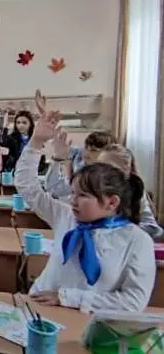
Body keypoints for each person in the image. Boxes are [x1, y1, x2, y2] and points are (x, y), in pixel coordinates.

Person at [15, 110, 154, 313]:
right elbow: (28, 187)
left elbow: (133, 301)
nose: (73, 201)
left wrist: (68, 297)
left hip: (88, 321)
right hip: (40, 311)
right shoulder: (67, 216)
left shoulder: (137, 240)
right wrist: (36, 142)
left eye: (83, 196)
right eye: (73, 193)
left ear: (112, 202)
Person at [97, 144, 163, 239]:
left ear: (127, 170)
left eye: (108, 167)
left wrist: (120, 231)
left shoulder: (136, 189)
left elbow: (153, 228)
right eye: (98, 166)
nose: (100, 171)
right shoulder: (92, 188)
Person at [45, 130, 116, 200]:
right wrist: (57, 158)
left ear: (108, 153)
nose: (86, 153)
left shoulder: (110, 180)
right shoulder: (82, 173)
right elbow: (53, 189)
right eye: (86, 147)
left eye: (93, 150)